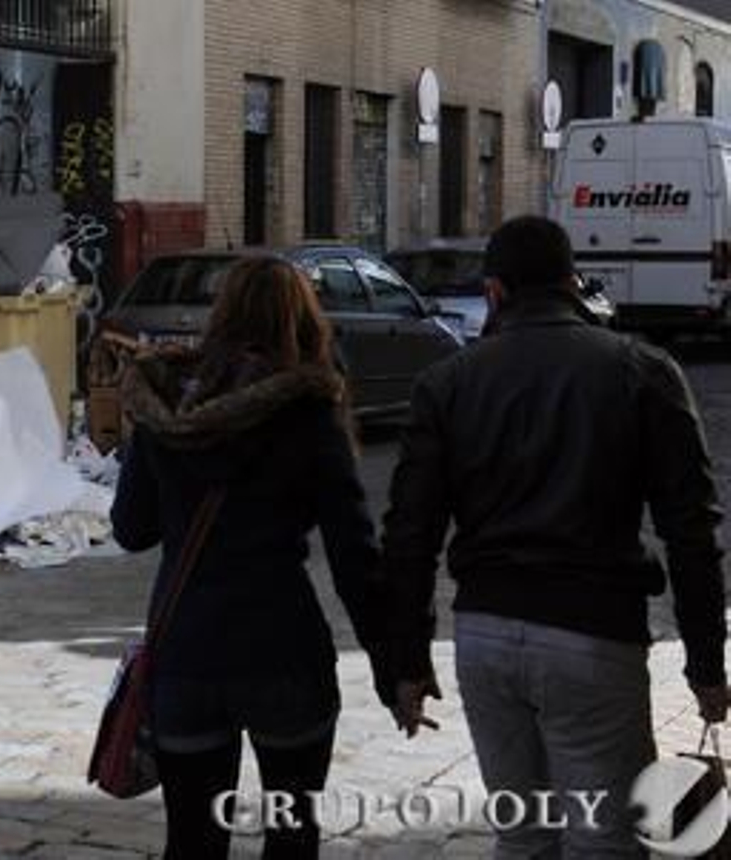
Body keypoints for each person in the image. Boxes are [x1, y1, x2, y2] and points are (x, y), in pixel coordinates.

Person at [382, 215, 730, 857]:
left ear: (494, 292)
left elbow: (409, 533)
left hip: (484, 638)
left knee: (522, 837)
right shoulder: (642, 371)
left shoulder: (447, 383)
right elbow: (691, 529)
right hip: (593, 639)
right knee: (604, 842)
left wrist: (405, 661)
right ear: (574, 283)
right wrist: (707, 664)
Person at [112, 256, 392, 859]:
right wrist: (394, 667)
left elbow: (130, 531)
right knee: (293, 835)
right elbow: (354, 556)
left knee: (191, 840)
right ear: (303, 319)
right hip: (282, 647)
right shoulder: (309, 413)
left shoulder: (166, 410)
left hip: (186, 645)